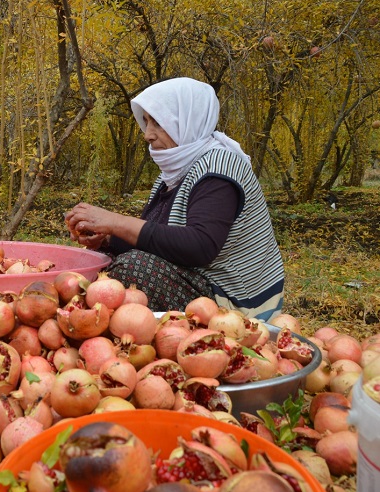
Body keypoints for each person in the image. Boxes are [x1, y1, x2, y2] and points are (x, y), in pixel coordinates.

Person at [65, 77, 284, 320]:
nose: (148, 135)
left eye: (158, 123)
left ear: (188, 119)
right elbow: (159, 239)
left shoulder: (220, 168)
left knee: (134, 268)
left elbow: (199, 246)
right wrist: (107, 238)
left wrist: (115, 222)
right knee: (107, 261)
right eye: (146, 122)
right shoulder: (175, 173)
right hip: (197, 280)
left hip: (234, 303)